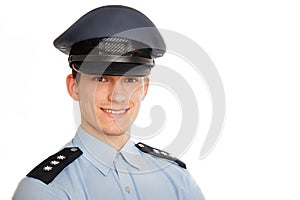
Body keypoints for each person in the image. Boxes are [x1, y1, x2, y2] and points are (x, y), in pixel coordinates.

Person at [13, 5, 205, 200]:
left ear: (145, 88)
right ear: (74, 87)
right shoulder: (45, 191)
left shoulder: (178, 180)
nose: (117, 96)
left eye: (130, 80)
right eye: (101, 79)